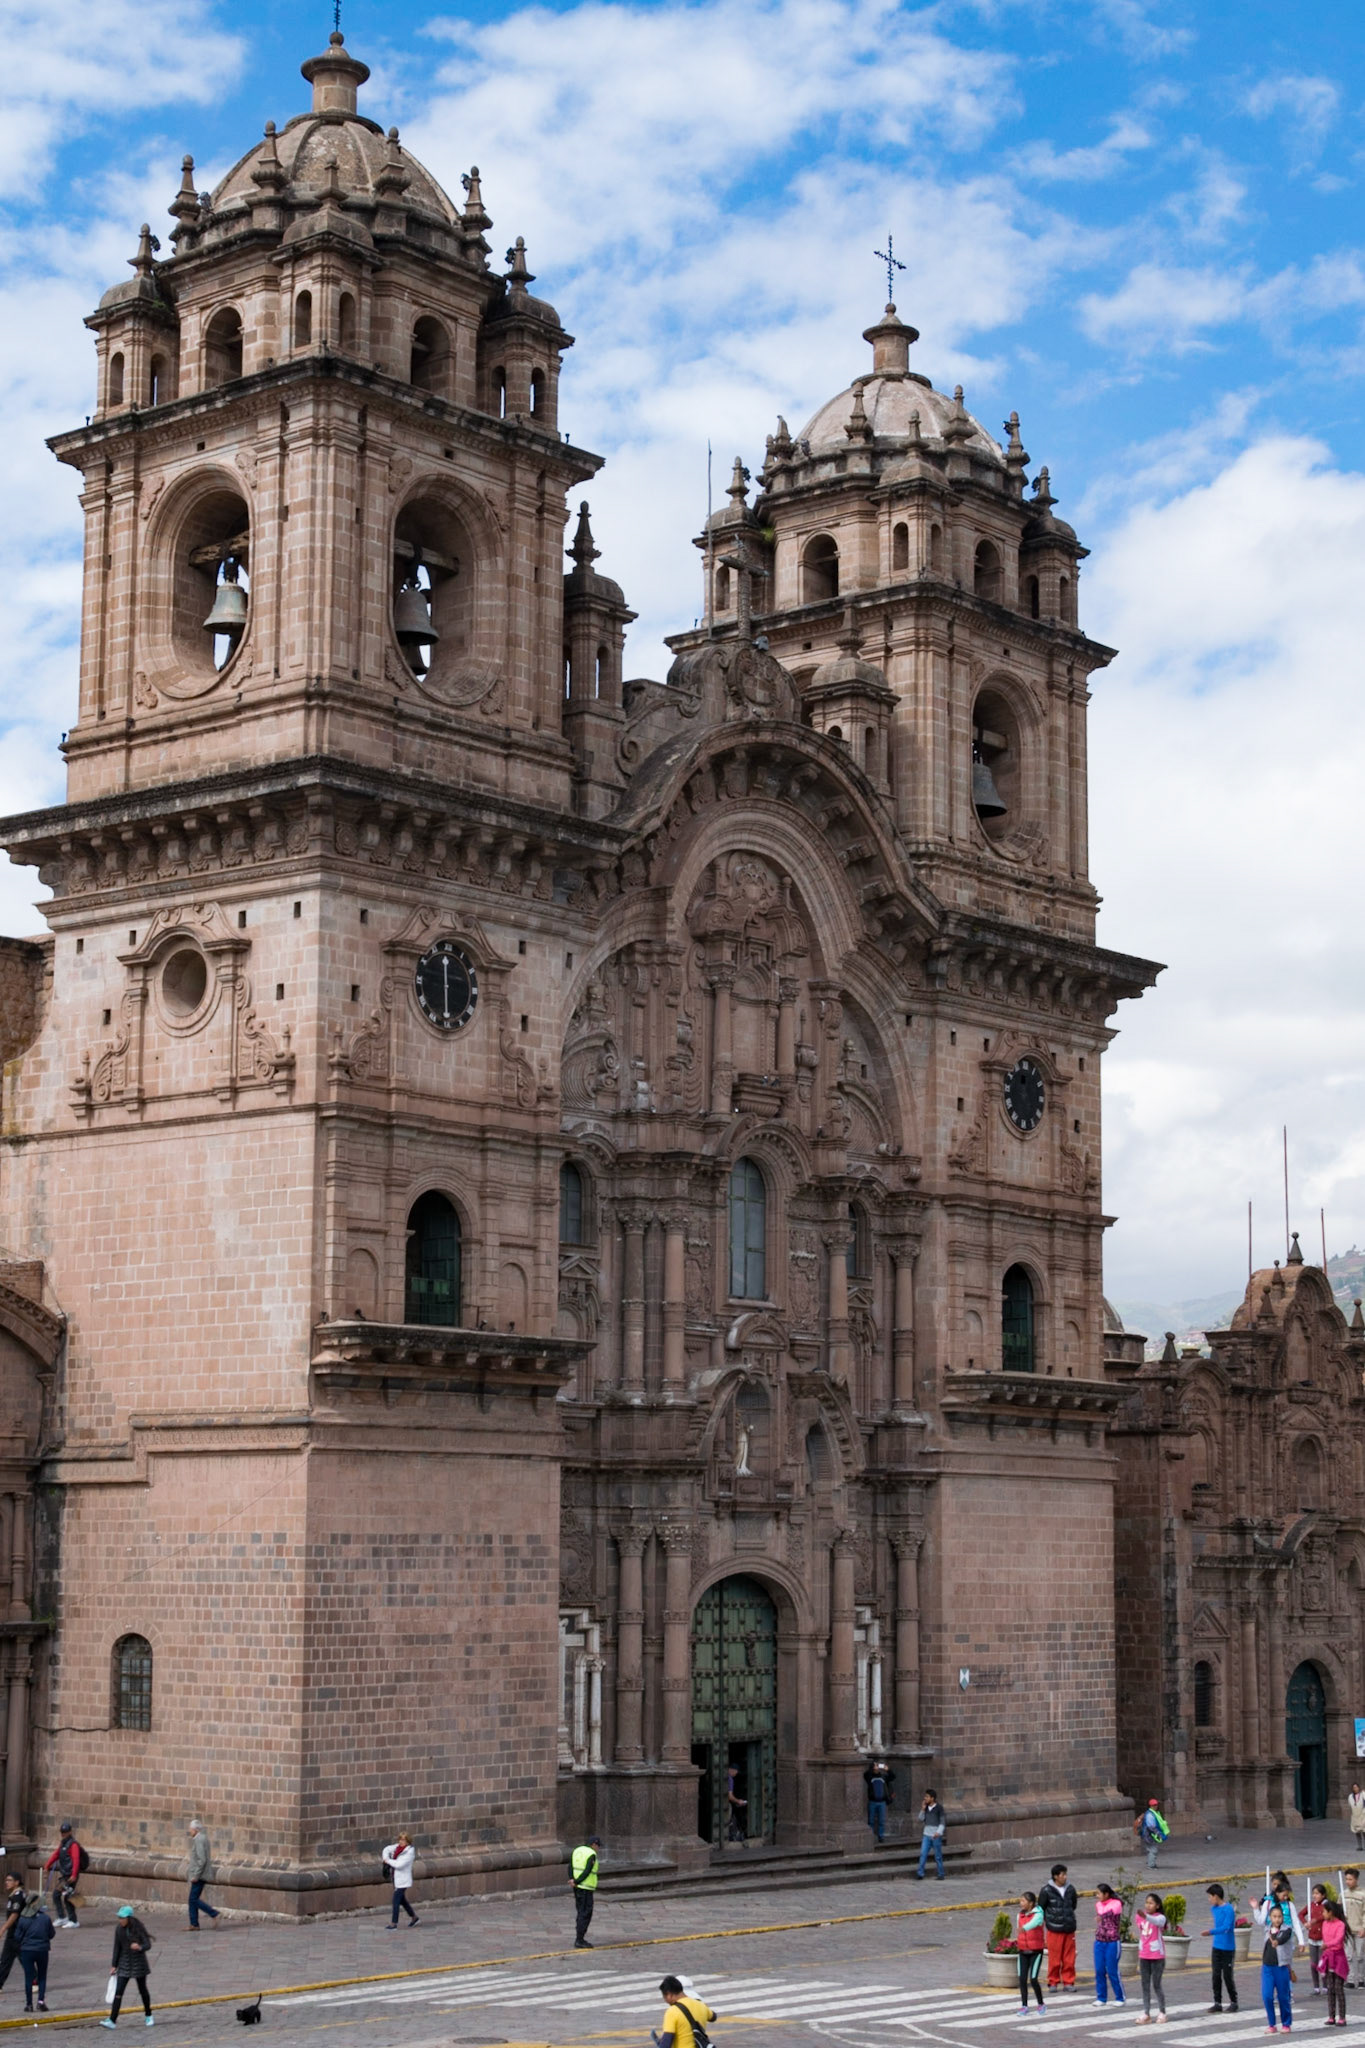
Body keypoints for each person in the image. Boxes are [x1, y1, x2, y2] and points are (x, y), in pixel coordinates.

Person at [100, 1904, 154, 2028]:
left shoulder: (138, 1928)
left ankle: (148, 2014)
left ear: (129, 1918)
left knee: (143, 1990)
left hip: (138, 1963)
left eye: (122, 1918)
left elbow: (148, 1944)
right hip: (124, 1963)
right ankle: (112, 2020)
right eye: (119, 1917)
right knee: (118, 1992)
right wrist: (114, 1965)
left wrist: (139, 1947)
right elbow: (117, 1947)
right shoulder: (119, 1929)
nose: (120, 1920)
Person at [1254, 1896, 1298, 2034]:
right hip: (1267, 1967)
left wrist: (1276, 1942)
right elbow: (1259, 1920)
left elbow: (1283, 1938)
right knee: (1267, 1996)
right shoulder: (1267, 1929)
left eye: (1279, 1916)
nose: (1277, 1919)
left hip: (1281, 1967)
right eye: (1274, 1916)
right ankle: (1271, 2024)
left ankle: (1286, 2023)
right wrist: (1256, 1908)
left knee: (1283, 1997)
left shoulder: (1287, 1929)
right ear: (1270, 1918)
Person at [1039, 1862, 1079, 1992]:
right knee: (1054, 1958)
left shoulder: (1071, 1889)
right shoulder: (1046, 1890)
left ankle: (1068, 1982)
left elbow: (1073, 1905)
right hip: (1054, 1929)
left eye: (1065, 1874)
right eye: (1063, 1874)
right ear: (1056, 1876)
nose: (1065, 1877)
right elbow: (1041, 1909)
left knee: (1069, 1957)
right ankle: (1053, 1982)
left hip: (1069, 1928)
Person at [1201, 1882, 1239, 2014]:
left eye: (1210, 1897)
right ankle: (1217, 2002)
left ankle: (1234, 2001)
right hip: (1216, 1947)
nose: (1209, 1900)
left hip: (1228, 1948)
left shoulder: (1228, 1910)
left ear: (1216, 1896)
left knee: (1227, 1976)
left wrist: (1210, 1932)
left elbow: (1226, 1927)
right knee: (1216, 1975)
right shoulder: (1214, 1909)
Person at [654, 1974, 716, 2048]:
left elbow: (666, 2043)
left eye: (665, 1998)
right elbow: (713, 2017)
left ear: (669, 1995)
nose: (666, 2001)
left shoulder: (672, 2012)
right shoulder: (701, 2005)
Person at [16, 1896, 53, 2015]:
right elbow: (51, 1934)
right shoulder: (46, 1918)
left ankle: (29, 2004)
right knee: (42, 1976)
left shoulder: (23, 1919)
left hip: (27, 1950)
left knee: (28, 1977)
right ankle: (41, 2002)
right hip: (42, 1950)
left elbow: (17, 1936)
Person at [1134, 1892, 1168, 2024]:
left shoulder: (1161, 1918)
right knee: (1145, 1984)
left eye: (1151, 1903)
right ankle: (1146, 2013)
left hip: (1157, 1955)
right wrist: (1144, 1916)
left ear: (1157, 1905)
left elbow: (1156, 1922)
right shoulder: (1139, 1916)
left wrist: (1146, 1916)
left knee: (1156, 1984)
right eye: (1146, 1903)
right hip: (1144, 1954)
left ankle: (1162, 2012)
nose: (1148, 1905)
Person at [44, 1821, 84, 1928]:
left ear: (70, 1832)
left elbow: (76, 1860)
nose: (63, 1834)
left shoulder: (73, 1845)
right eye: (62, 1832)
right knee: (58, 1895)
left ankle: (73, 1920)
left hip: (70, 1876)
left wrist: (74, 1875)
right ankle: (62, 1917)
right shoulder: (63, 1844)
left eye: (65, 1832)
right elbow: (56, 1855)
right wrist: (47, 1865)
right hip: (65, 1875)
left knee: (67, 1896)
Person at [1015, 1890, 1047, 2017]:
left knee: (1033, 1979)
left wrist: (1024, 1928)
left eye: (1023, 1901)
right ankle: (1024, 2006)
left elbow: (1033, 1924)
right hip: (1023, 1951)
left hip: (1035, 1951)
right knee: (1022, 1979)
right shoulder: (1020, 1915)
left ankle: (1041, 2003)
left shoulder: (1039, 1914)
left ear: (1031, 1903)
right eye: (1020, 1900)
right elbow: (1018, 1927)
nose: (1021, 1903)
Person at [1093, 1882, 1125, 2007]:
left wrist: (1100, 1915)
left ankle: (1120, 1997)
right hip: (1099, 1941)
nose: (1097, 1896)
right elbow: (1101, 1913)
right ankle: (1101, 1997)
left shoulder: (1116, 1904)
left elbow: (1107, 1912)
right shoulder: (1098, 1904)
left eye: (1099, 1893)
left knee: (1112, 1970)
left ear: (1106, 1894)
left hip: (1112, 1941)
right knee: (1099, 1970)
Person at [1321, 1899, 1349, 2027]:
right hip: (1329, 1956)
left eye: (1324, 1911)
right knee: (1330, 1987)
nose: (1323, 1914)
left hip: (1338, 1957)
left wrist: (1328, 1944)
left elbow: (1338, 1939)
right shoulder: (1325, 1923)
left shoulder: (1340, 1924)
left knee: (1338, 1988)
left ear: (1330, 1912)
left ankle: (1342, 2017)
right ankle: (1331, 2016)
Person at [382, 1832, 419, 1928]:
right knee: (402, 1900)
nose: (401, 1842)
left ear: (408, 1841)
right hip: (395, 1878)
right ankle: (414, 1917)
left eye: (403, 1840)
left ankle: (394, 1923)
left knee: (396, 1900)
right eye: (400, 1839)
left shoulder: (409, 1852)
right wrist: (386, 1857)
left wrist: (388, 1861)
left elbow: (399, 1864)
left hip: (403, 1880)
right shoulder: (397, 1847)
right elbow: (386, 1849)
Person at [186, 1822, 219, 1929]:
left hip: (199, 1875)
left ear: (196, 1830)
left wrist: (196, 1875)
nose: (190, 1831)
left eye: (191, 1829)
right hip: (201, 1874)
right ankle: (194, 1924)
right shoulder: (202, 1838)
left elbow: (202, 1859)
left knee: (193, 1899)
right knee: (192, 1899)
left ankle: (214, 1913)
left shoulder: (199, 1840)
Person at [570, 1836, 600, 1948]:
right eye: (598, 1846)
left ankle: (579, 1937)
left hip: (577, 1887)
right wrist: (577, 1881)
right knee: (586, 1913)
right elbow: (587, 1870)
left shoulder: (577, 1850)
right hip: (586, 1887)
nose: (598, 1849)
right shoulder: (591, 1854)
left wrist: (572, 1880)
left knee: (580, 1911)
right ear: (594, 1844)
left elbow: (570, 1866)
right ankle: (579, 1939)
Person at [0, 1873, 28, 1992]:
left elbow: (14, 1914)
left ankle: (35, 1980)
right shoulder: (13, 1895)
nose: (7, 1882)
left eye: (10, 1880)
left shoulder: (18, 1896)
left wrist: (3, 1928)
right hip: (13, 1933)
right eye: (6, 1880)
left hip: (17, 1932)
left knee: (22, 1958)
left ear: (17, 1882)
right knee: (6, 1959)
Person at [1342, 1869, 1365, 1990]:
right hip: (1347, 1931)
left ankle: (1361, 1980)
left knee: (1360, 1956)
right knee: (1348, 1956)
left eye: (1350, 1879)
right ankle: (1350, 1980)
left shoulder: (1363, 1894)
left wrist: (1363, 1927)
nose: (1348, 1882)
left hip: (1359, 1929)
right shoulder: (1343, 1894)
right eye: (1346, 1879)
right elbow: (1339, 1910)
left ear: (1356, 1880)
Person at [915, 1789, 945, 1880]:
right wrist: (923, 1809)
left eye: (927, 1797)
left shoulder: (939, 1808)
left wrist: (938, 1832)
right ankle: (920, 1873)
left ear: (932, 1798)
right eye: (925, 1796)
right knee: (923, 1854)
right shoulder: (926, 1808)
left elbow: (942, 1822)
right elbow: (920, 1819)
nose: (925, 1798)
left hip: (935, 1835)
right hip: (926, 1835)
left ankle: (941, 1874)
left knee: (938, 1856)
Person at [1135, 1798, 1169, 1870]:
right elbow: (1151, 1827)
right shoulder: (1150, 1815)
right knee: (1153, 1850)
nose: (1155, 1806)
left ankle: (1150, 1862)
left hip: (1148, 1835)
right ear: (1150, 1806)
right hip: (1149, 1836)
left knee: (1150, 1849)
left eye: (1156, 1804)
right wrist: (1159, 1834)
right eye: (1154, 1805)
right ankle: (1151, 1865)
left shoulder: (1152, 1813)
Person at [1307, 1884, 1328, 1993]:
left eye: (1317, 1893)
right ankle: (1316, 1987)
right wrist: (1305, 1923)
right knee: (1313, 1964)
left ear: (1323, 1895)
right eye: (1313, 1893)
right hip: (1312, 1938)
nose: (1314, 1896)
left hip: (1322, 1938)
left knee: (1322, 1963)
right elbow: (1301, 1914)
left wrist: (1316, 1920)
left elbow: (1326, 1915)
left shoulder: (1326, 1905)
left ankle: (1325, 1986)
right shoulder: (1311, 1905)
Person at [866, 1761, 890, 1845]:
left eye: (878, 1765)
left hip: (882, 1801)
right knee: (871, 1820)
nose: (878, 1766)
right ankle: (871, 1836)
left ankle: (881, 1836)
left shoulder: (883, 1776)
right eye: (876, 1765)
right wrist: (872, 1768)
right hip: (873, 1801)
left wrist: (888, 1770)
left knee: (881, 1821)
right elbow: (866, 1774)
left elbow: (892, 1777)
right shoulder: (870, 1777)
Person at [725, 1767, 747, 1844]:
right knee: (728, 1821)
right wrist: (738, 1801)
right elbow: (730, 1796)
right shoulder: (730, 1779)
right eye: (736, 1773)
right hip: (725, 1805)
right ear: (732, 1770)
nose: (735, 1775)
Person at [1349, 1784, 1365, 1852]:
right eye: (1354, 1787)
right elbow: (1350, 1805)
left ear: (1359, 1788)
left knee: (1364, 1831)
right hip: (1355, 1816)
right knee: (1357, 1832)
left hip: (1363, 1815)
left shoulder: (1363, 1795)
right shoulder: (1350, 1796)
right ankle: (1360, 1846)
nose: (1355, 1789)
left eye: (1356, 1787)